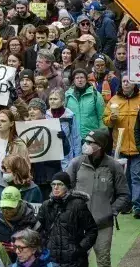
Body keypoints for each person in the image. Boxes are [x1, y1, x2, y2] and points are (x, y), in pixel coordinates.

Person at [66, 129, 129, 267]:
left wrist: (111, 210)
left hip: (103, 225)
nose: (86, 144)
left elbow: (123, 194)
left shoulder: (113, 166)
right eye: (86, 141)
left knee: (103, 261)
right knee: (77, 260)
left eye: (90, 142)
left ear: (100, 146)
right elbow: (66, 188)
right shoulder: (76, 163)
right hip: (80, 224)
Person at [36, 171, 97, 267]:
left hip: (75, 261)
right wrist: (45, 246)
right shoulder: (46, 205)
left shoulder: (78, 205)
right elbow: (38, 230)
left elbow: (92, 230)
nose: (56, 187)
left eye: (60, 184)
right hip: (52, 260)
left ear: (67, 186)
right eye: (53, 184)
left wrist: (80, 249)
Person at [105, 74, 140, 217]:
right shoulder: (114, 100)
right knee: (123, 178)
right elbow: (105, 120)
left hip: (138, 146)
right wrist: (111, 119)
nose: (126, 83)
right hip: (119, 145)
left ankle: (137, 206)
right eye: (124, 81)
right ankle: (126, 204)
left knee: (136, 176)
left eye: (129, 81)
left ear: (134, 83)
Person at [0, 187, 38, 262]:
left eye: (10, 208)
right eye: (4, 207)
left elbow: (38, 248)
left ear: (19, 203)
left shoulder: (32, 222)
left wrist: (19, 249)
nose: (6, 211)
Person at [65, 68, 105, 140]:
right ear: (74, 80)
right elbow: (64, 116)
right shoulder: (68, 95)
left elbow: (102, 117)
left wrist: (101, 134)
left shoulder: (95, 94)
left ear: (86, 80)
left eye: (82, 77)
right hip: (73, 137)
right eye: (77, 78)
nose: (79, 80)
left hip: (91, 136)